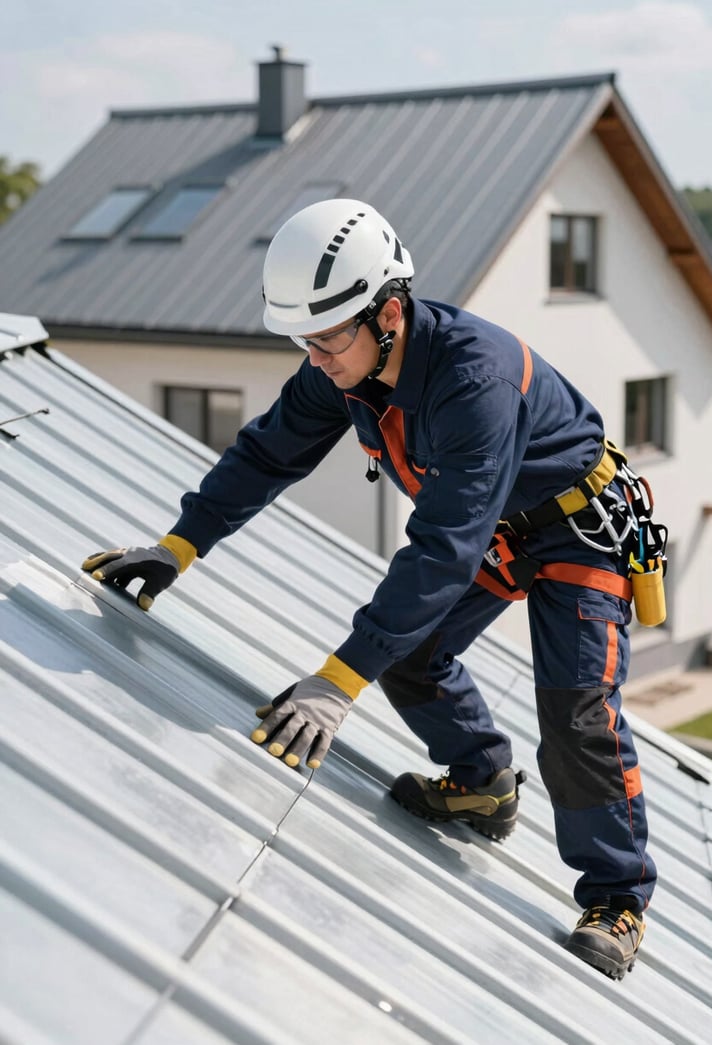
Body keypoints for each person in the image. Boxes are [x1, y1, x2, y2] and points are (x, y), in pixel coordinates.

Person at [82, 198, 665, 981]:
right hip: (501, 527)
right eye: (303, 340)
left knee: (576, 712)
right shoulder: (344, 365)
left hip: (573, 528)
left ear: (387, 313)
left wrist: (335, 680)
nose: (314, 357)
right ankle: (483, 781)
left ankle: (618, 898)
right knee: (411, 650)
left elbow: (442, 551)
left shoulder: (474, 381)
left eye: (325, 339)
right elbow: (266, 455)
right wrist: (178, 547)